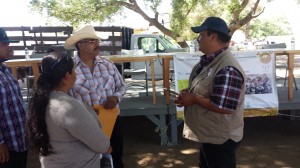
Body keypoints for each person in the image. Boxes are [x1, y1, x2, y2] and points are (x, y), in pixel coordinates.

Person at [174, 17, 246, 168]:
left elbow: (224, 107)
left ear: (212, 36)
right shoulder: (210, 61)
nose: (198, 39)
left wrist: (193, 99)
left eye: (201, 35)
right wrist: (188, 94)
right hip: (210, 133)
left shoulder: (227, 68)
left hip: (220, 138)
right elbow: (207, 89)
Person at [26, 53, 112, 168]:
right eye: (74, 70)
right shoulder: (69, 107)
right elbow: (103, 146)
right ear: (67, 75)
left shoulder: (40, 101)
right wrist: (88, 113)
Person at [64, 25, 126, 168]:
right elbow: (62, 99)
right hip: (84, 126)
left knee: (116, 158)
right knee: (89, 161)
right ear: (80, 44)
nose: (98, 44)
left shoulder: (108, 64)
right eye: (92, 41)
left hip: (112, 121)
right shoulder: (69, 69)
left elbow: (122, 86)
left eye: (97, 40)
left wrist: (115, 98)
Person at [0, 28, 28, 168]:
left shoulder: (5, 69)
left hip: (17, 141)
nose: (9, 47)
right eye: (4, 44)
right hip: (5, 148)